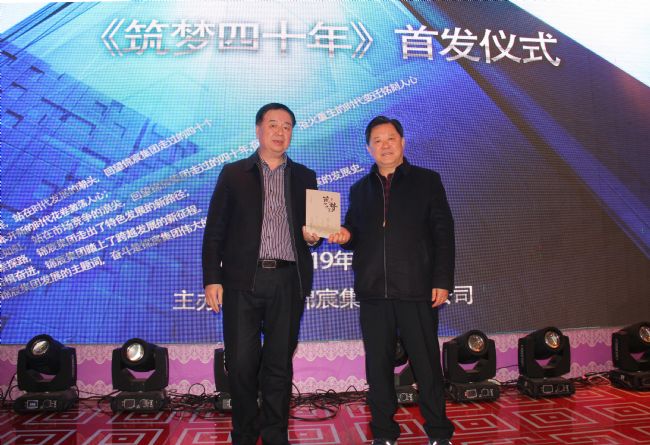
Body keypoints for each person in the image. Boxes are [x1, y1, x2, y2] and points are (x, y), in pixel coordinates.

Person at [330, 116, 456, 445]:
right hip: (373, 291)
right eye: (377, 140)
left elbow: (444, 234)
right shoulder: (359, 190)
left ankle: (439, 434)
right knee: (378, 368)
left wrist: (442, 279)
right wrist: (344, 235)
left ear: (402, 142)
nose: (384, 145)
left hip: (416, 288)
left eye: (390, 138)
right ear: (368, 148)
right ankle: (384, 434)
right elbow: (354, 233)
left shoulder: (427, 181)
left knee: (426, 367)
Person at [202, 103, 321, 445]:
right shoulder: (233, 173)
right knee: (240, 364)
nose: (280, 132)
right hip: (242, 281)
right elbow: (214, 231)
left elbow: (313, 230)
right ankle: (244, 432)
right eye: (273, 124)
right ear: (258, 130)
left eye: (287, 126)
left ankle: (274, 434)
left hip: (288, 280)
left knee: (279, 365)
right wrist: (212, 278)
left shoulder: (305, 177)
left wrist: (313, 237)